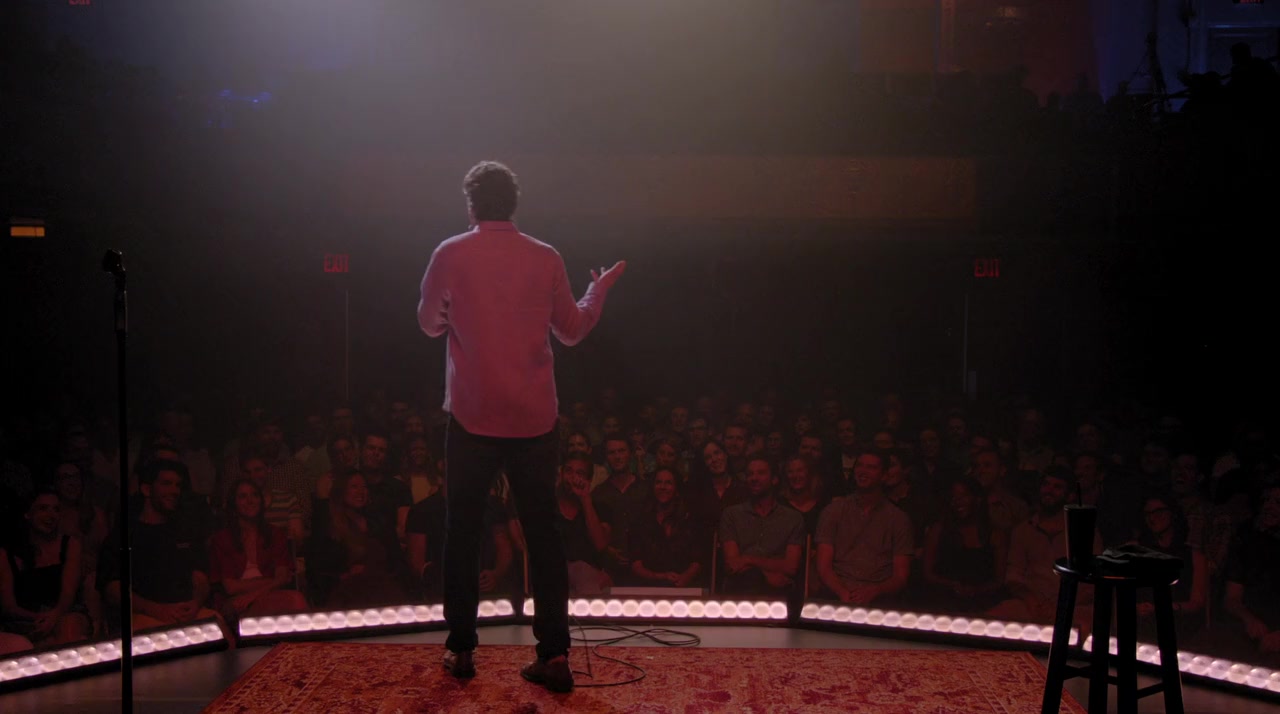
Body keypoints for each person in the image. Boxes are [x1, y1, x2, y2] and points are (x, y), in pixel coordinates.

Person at [417, 160, 625, 692]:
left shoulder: (450, 253)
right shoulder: (545, 256)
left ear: (471, 205)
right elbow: (572, 331)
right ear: (514, 205)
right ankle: (554, 655)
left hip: (472, 417)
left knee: (462, 532)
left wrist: (459, 317)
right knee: (544, 535)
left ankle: (462, 648)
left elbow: (428, 324)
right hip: (533, 420)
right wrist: (597, 291)